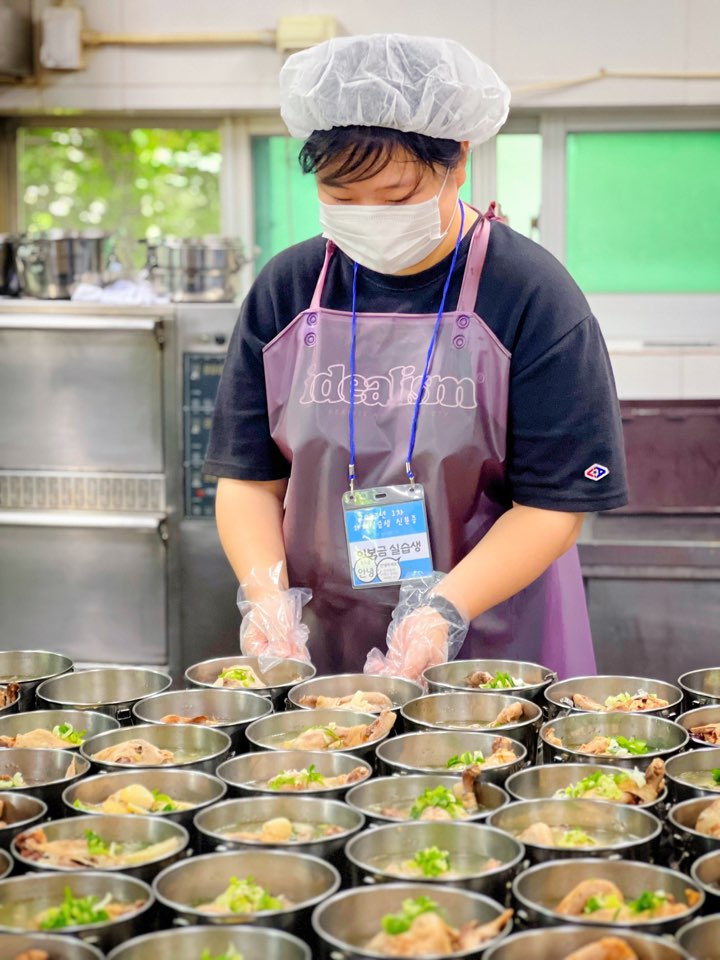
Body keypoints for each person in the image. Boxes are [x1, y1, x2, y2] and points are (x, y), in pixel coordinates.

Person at [205, 33, 628, 682]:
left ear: (459, 161)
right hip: (322, 642)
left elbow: (554, 505)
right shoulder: (288, 289)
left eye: (397, 196)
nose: (369, 216)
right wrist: (268, 600)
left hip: (491, 642)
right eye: (341, 197)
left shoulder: (530, 294)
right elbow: (248, 479)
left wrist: (441, 612)